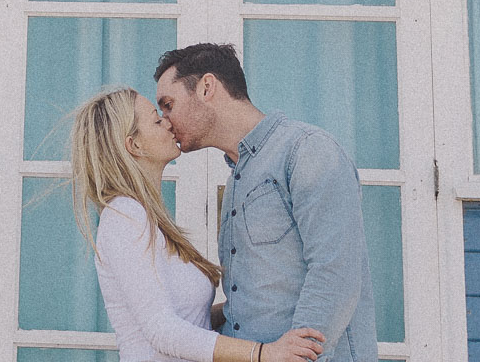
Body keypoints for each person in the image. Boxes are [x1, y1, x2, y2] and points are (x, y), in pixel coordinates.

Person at [153, 43, 378, 362]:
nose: (165, 120)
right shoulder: (237, 178)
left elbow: (335, 273)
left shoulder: (306, 151)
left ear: (206, 87)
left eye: (168, 104)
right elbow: (252, 302)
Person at [69, 86, 327, 362]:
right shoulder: (124, 216)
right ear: (134, 145)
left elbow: (192, 320)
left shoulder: (148, 217)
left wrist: (262, 305)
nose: (168, 122)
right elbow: (163, 331)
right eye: (156, 120)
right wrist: (264, 354)